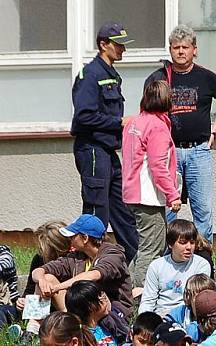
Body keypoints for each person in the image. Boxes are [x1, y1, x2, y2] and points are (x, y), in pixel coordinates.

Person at [145, 25, 216, 243]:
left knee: (203, 212)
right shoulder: (158, 78)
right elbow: (145, 113)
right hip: (168, 153)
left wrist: (215, 127)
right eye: (176, 47)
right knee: (168, 211)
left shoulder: (207, 78)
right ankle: (167, 261)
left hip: (199, 151)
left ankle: (203, 262)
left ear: (194, 50)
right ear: (170, 50)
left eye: (185, 47)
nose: (180, 51)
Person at [70, 22, 138, 263]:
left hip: (107, 150)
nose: (123, 50)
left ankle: (134, 264)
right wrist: (118, 122)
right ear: (103, 45)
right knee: (97, 211)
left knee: (122, 208)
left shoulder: (110, 74)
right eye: (118, 45)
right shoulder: (91, 74)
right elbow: (84, 115)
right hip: (93, 149)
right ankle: (89, 267)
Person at [122, 79, 182, 287]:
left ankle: (125, 290)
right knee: (152, 249)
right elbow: (158, 166)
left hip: (132, 192)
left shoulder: (133, 122)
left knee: (144, 247)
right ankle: (141, 298)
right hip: (147, 195)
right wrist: (173, 194)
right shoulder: (157, 127)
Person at [31, 214, 133, 320]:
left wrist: (57, 287)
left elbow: (94, 275)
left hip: (111, 312)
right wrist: (42, 280)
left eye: (73, 236)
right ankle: (33, 327)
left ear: (85, 238)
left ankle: (73, 324)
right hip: (83, 307)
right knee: (47, 278)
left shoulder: (113, 254)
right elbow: (39, 270)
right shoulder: (77, 257)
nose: (69, 239)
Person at [139, 219, 212, 316]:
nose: (189, 247)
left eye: (192, 242)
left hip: (188, 315)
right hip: (161, 315)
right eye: (183, 243)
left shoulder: (201, 265)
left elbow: (198, 302)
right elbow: (148, 301)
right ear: (170, 244)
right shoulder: (156, 266)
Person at [65, 281, 123, 346]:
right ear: (91, 306)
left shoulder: (110, 323)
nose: (105, 299)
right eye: (100, 297)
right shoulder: (81, 336)